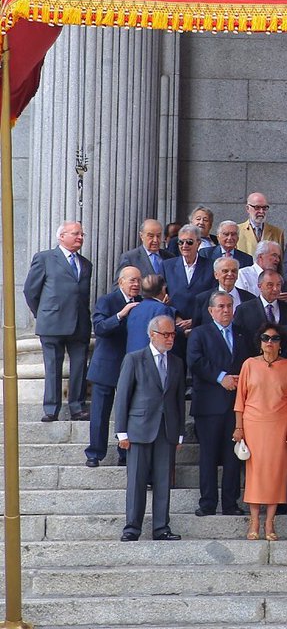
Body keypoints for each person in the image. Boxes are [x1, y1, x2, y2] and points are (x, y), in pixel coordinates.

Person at [114, 315, 185, 541]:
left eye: (173, 334)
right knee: (136, 481)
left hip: (166, 429)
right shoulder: (134, 359)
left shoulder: (177, 362)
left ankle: (161, 527)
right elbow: (123, 396)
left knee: (163, 480)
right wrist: (121, 432)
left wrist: (180, 433)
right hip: (139, 428)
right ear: (152, 335)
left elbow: (178, 400)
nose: (170, 338)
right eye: (166, 334)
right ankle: (132, 527)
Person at [233, 322, 287, 541]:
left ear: (281, 343)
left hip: (279, 425)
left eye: (275, 338)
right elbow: (240, 400)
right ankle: (254, 521)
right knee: (255, 473)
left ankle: (270, 522)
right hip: (253, 424)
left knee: (276, 473)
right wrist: (239, 427)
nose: (270, 342)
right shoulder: (249, 364)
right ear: (259, 342)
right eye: (265, 338)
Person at [24, 221, 93, 422]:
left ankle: (77, 407)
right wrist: (42, 313)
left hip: (79, 323)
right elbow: (30, 290)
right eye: (75, 233)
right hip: (52, 322)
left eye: (82, 234)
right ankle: (51, 408)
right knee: (53, 366)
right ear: (61, 236)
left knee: (79, 366)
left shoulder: (86, 264)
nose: (80, 237)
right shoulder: (45, 258)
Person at [187, 290, 249, 516]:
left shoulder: (243, 333)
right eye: (221, 306)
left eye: (229, 306)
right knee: (209, 456)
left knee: (233, 456)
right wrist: (221, 377)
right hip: (209, 405)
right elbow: (195, 361)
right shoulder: (200, 333)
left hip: (236, 406)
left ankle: (230, 503)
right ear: (211, 310)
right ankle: (208, 503)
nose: (226, 310)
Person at [86, 267, 141, 466]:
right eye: (132, 280)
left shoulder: (142, 302)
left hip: (130, 366)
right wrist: (120, 315)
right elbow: (100, 328)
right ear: (121, 282)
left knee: (127, 412)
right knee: (100, 413)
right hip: (106, 365)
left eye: (139, 280)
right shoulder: (107, 301)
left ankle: (124, 454)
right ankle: (94, 453)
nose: (136, 284)